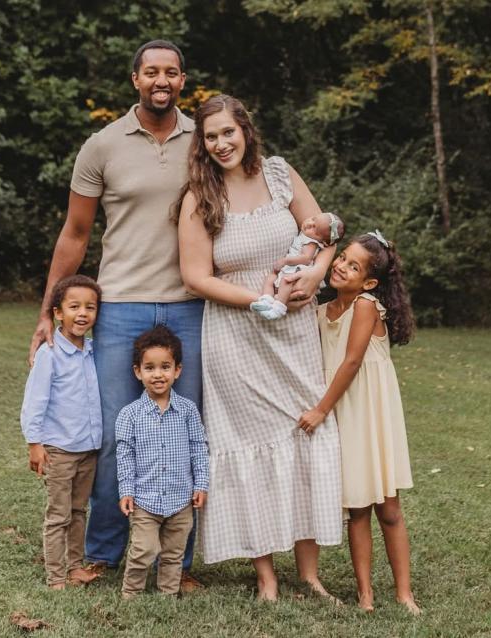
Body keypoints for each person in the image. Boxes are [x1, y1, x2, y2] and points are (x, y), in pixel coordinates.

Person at [26, 39, 204, 589]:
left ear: (182, 80)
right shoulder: (101, 146)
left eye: (171, 72)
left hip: (188, 305)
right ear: (135, 79)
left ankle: (179, 560)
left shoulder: (204, 140)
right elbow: (76, 233)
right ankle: (102, 550)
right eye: (151, 71)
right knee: (109, 432)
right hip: (120, 302)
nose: (161, 80)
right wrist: (46, 312)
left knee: (185, 429)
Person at [176, 94, 343, 602]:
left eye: (228, 132)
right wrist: (258, 300)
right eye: (211, 136)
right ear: (202, 145)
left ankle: (309, 574)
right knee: (248, 445)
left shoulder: (278, 174)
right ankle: (267, 574)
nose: (221, 143)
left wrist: (313, 276)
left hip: (294, 330)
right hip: (236, 332)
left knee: (304, 434)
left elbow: (328, 231)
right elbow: (195, 276)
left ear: (245, 129)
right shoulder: (199, 197)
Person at [298, 231, 421, 614]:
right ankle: (364, 593)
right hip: (345, 415)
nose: (342, 267)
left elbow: (351, 363)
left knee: (388, 508)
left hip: (371, 414)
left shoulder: (366, 305)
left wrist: (319, 410)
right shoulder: (320, 312)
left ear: (369, 282)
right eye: (343, 258)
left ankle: (404, 593)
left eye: (354, 266)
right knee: (357, 509)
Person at [20, 274, 103, 589]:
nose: (82, 313)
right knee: (59, 515)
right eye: (74, 307)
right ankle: (56, 576)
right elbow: (34, 402)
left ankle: (74, 566)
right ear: (58, 312)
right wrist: (34, 443)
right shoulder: (50, 354)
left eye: (90, 307)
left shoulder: (94, 352)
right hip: (59, 450)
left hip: (88, 448)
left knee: (79, 510)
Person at [116, 326, 209, 599]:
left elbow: (198, 447)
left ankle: (168, 593)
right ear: (138, 372)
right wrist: (126, 491)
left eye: (165, 367)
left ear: (177, 370)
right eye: (150, 368)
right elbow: (124, 456)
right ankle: (131, 592)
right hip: (145, 500)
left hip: (181, 499)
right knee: (143, 549)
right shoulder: (129, 415)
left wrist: (200, 484)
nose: (158, 374)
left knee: (173, 552)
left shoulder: (188, 411)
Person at [251, 211, 345, 320]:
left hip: (296, 269)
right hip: (290, 267)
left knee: (286, 281)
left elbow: (306, 259)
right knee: (271, 277)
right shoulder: (305, 235)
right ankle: (266, 299)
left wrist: (285, 261)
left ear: (321, 240)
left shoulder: (311, 243)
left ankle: (279, 307)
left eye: (314, 228)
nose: (309, 224)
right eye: (313, 219)